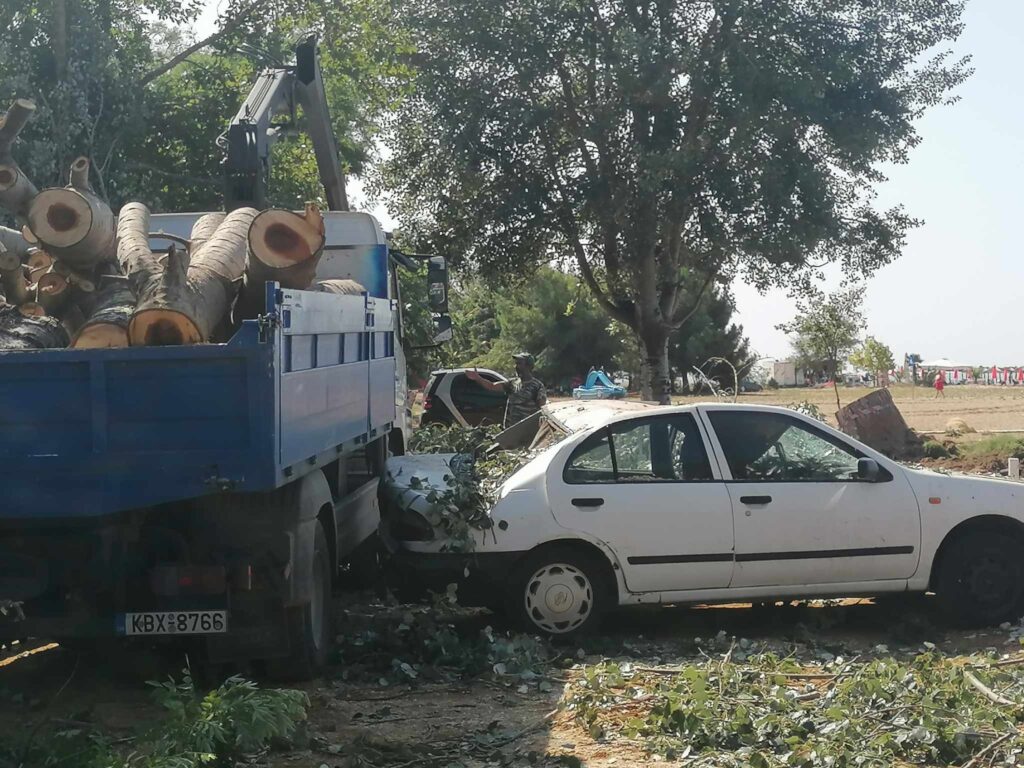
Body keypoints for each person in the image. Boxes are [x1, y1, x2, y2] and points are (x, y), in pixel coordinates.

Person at [467, 352, 547, 427]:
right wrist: (478, 378)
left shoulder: (537, 386)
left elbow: (542, 409)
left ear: (528, 366)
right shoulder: (512, 383)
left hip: (527, 429)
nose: (516, 367)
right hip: (510, 429)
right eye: (516, 364)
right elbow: (491, 386)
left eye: (519, 364)